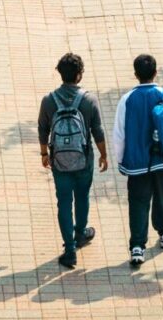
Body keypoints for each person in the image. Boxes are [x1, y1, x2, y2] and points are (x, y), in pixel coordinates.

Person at [111, 54, 163, 268]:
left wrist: (121, 161)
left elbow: (119, 134)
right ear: (156, 72)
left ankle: (137, 247)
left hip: (136, 163)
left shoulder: (127, 100)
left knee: (138, 202)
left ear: (136, 74)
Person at [38, 52, 108, 271]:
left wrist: (44, 154)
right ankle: (80, 234)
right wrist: (103, 155)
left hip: (59, 161)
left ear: (61, 74)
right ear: (79, 75)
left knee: (64, 202)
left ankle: (69, 251)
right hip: (83, 159)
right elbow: (97, 130)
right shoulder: (88, 100)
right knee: (82, 197)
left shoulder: (49, 100)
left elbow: (42, 129)